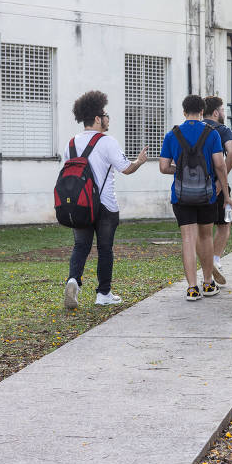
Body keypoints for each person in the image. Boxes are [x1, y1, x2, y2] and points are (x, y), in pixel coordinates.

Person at [63, 91, 147, 309]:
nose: (108, 119)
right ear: (98, 118)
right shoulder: (107, 142)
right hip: (105, 205)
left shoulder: (70, 144)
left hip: (79, 205)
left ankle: (73, 281)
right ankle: (103, 294)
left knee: (80, 245)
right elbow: (126, 169)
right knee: (105, 248)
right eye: (106, 114)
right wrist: (139, 161)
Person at [159, 95, 232, 301]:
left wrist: (180, 169)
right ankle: (208, 284)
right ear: (202, 112)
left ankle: (192, 288)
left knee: (188, 239)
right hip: (207, 195)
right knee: (206, 237)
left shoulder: (171, 135)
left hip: (181, 196)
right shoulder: (212, 134)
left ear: (184, 112)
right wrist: (225, 194)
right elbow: (220, 165)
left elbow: (164, 167)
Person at [202, 96, 232, 285]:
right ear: (216, 112)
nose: (223, 113)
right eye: (222, 110)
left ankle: (206, 270)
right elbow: (231, 153)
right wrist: (220, 183)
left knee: (202, 231)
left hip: (194, 187)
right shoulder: (222, 130)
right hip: (217, 185)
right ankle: (215, 259)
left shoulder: (196, 128)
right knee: (224, 225)